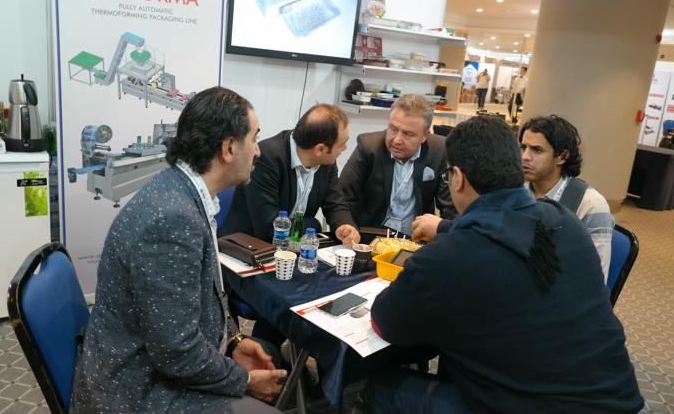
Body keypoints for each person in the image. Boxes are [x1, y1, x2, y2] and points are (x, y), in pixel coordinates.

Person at [365, 116, 643, 414]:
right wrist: (445, 228)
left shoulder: (447, 257)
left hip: (530, 405)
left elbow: (385, 323)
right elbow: (504, 229)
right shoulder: (566, 221)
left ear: (457, 178)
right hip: (616, 401)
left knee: (380, 387)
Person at [71, 87, 287, 414]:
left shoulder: (180, 192)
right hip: (135, 390)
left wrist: (234, 342)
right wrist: (242, 380)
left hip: (153, 366)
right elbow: (176, 352)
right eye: (254, 138)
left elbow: (199, 301)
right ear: (229, 148)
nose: (258, 150)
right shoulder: (173, 219)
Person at [413, 115, 614, 281]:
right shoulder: (515, 190)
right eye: (523, 147)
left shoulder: (590, 204)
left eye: (537, 150)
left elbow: (596, 278)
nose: (525, 156)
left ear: (562, 156)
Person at [220, 103, 359, 246]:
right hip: (246, 248)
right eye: (342, 144)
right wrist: (314, 224)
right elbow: (269, 228)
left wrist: (345, 226)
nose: (345, 148)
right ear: (320, 149)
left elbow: (335, 203)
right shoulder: (267, 158)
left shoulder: (326, 162)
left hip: (292, 247)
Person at [339, 94, 457, 237]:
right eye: (393, 129)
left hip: (416, 238)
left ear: (425, 135)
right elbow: (342, 197)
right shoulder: (369, 147)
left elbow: (450, 208)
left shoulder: (439, 150)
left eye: (407, 134)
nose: (396, 140)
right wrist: (348, 227)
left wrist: (446, 236)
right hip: (370, 235)